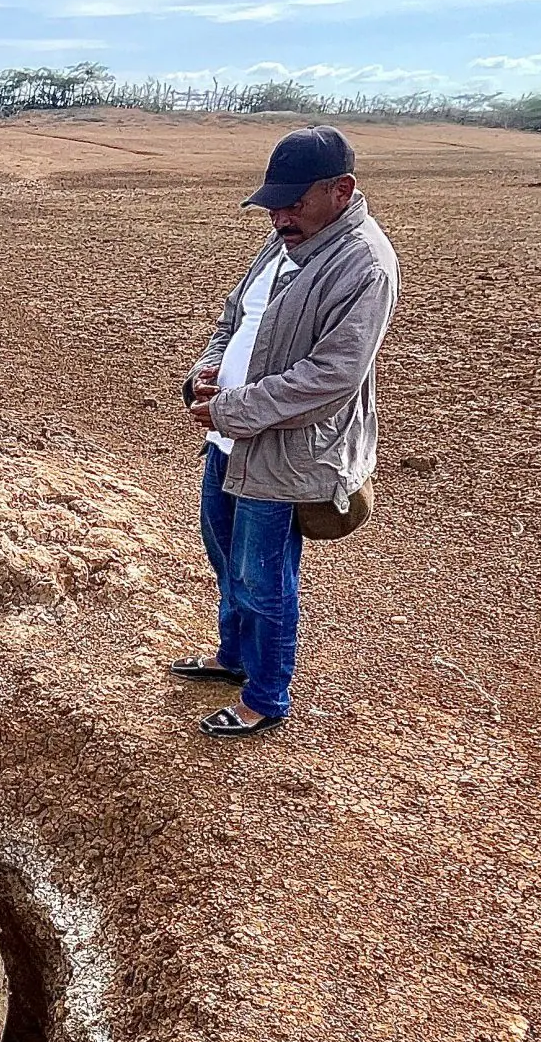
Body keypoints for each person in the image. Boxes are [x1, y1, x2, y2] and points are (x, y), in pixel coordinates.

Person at [171, 125, 399, 737]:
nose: (279, 215)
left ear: (341, 191)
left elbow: (332, 376)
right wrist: (206, 370)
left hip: (285, 452)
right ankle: (233, 657)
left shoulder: (364, 264)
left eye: (293, 201)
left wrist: (236, 409)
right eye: (274, 202)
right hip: (230, 436)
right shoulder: (283, 243)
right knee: (224, 555)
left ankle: (266, 695)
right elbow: (232, 318)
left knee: (263, 574)